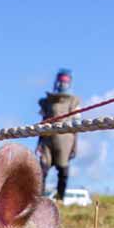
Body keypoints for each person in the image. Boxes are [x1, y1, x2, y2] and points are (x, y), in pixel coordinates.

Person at [35, 68, 81, 200]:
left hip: (65, 140)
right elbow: (43, 122)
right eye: (61, 80)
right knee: (42, 169)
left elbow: (77, 125)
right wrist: (39, 143)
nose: (62, 84)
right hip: (47, 139)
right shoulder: (47, 102)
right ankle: (39, 198)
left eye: (66, 81)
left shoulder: (74, 101)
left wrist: (74, 146)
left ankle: (60, 197)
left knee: (63, 170)